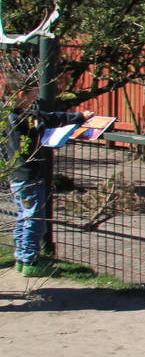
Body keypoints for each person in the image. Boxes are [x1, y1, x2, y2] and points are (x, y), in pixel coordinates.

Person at [5, 82, 90, 277]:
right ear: (19, 94)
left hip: (17, 174)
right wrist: (40, 130)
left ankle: (21, 257)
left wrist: (78, 117)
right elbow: (29, 140)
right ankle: (30, 261)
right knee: (34, 219)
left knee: (23, 216)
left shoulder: (14, 115)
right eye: (33, 94)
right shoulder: (17, 119)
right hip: (28, 175)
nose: (35, 98)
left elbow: (47, 118)